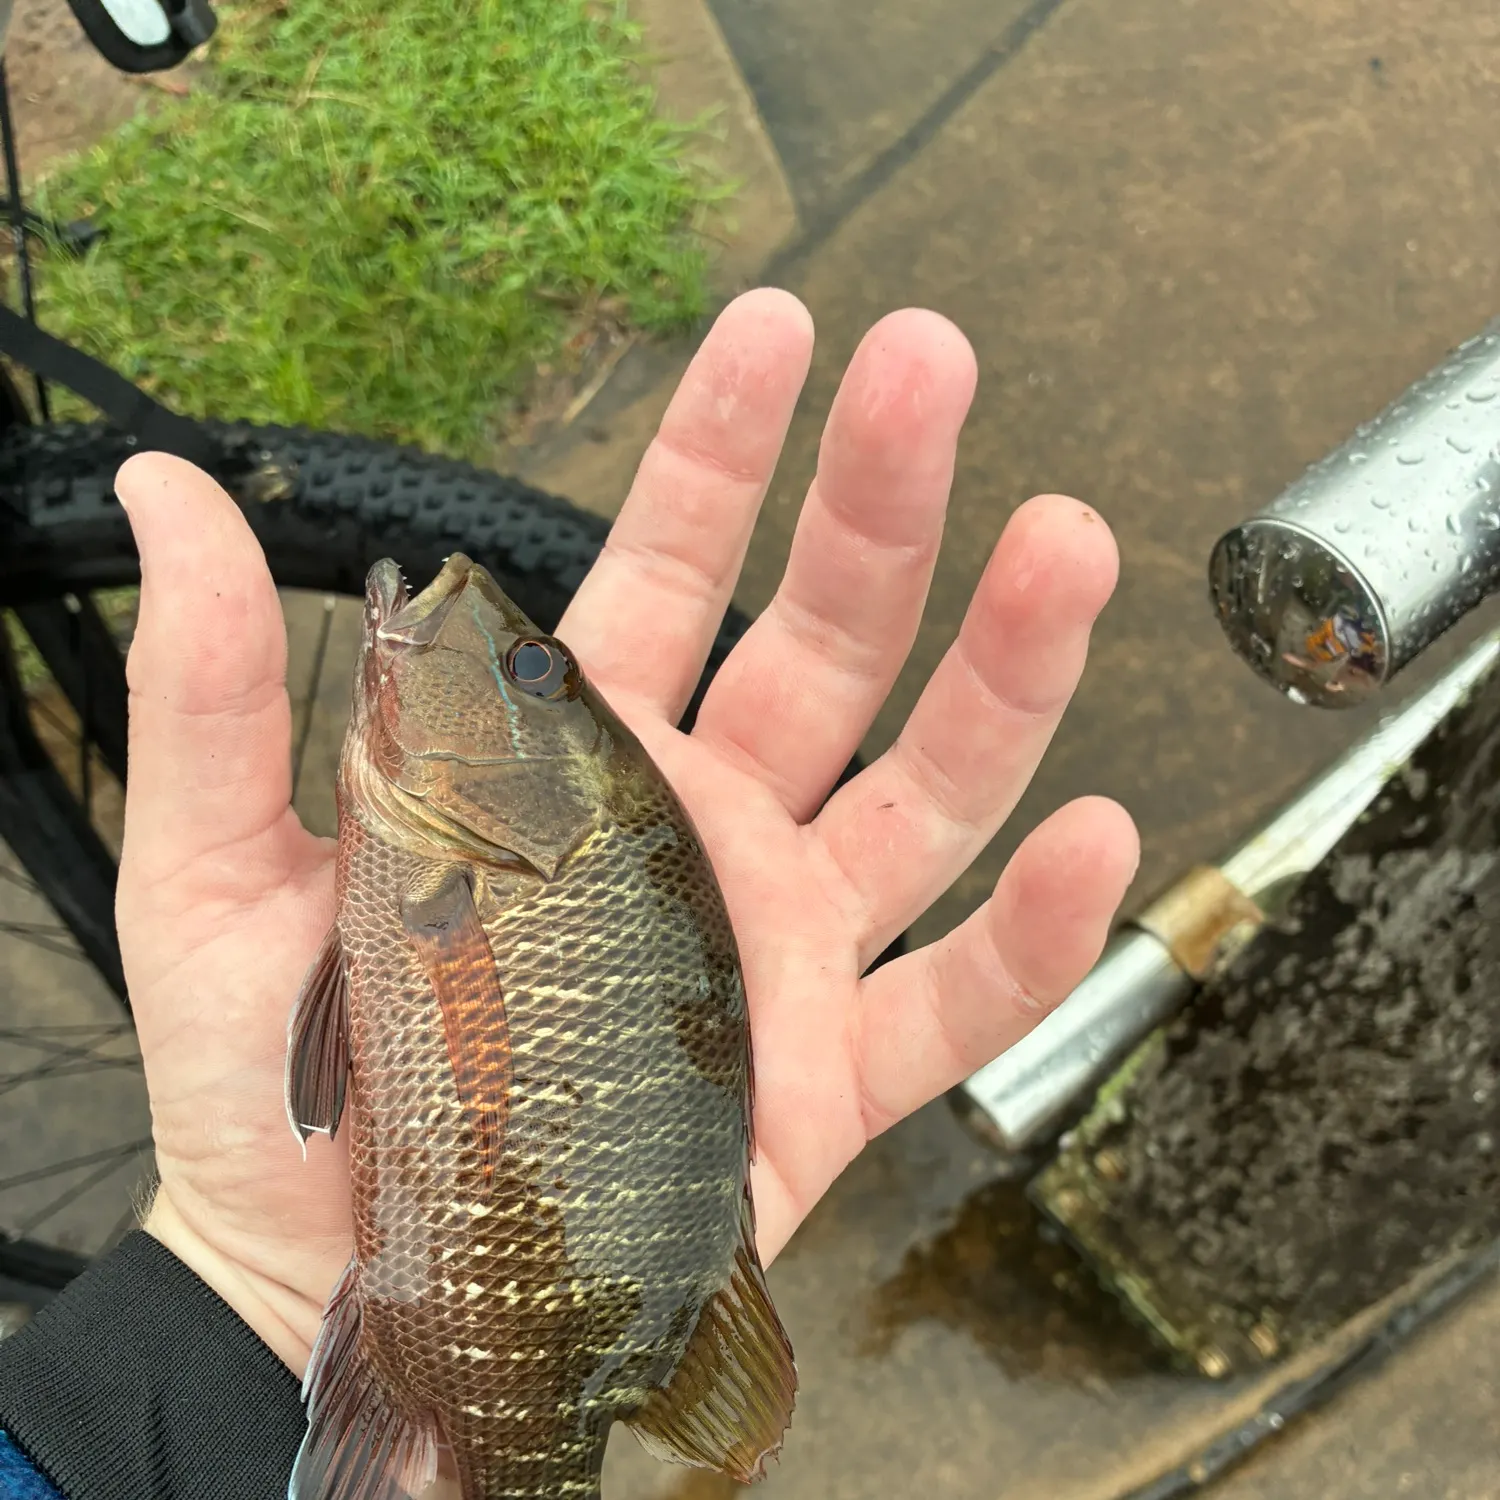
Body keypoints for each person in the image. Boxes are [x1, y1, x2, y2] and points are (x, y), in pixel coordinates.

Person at [0, 290, 1138, 1498]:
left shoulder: (461, 869)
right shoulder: (455, 866)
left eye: (529, 671)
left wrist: (209, 1350)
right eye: (540, 669)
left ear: (558, 803)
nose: (501, 641)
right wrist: (240, 1301)